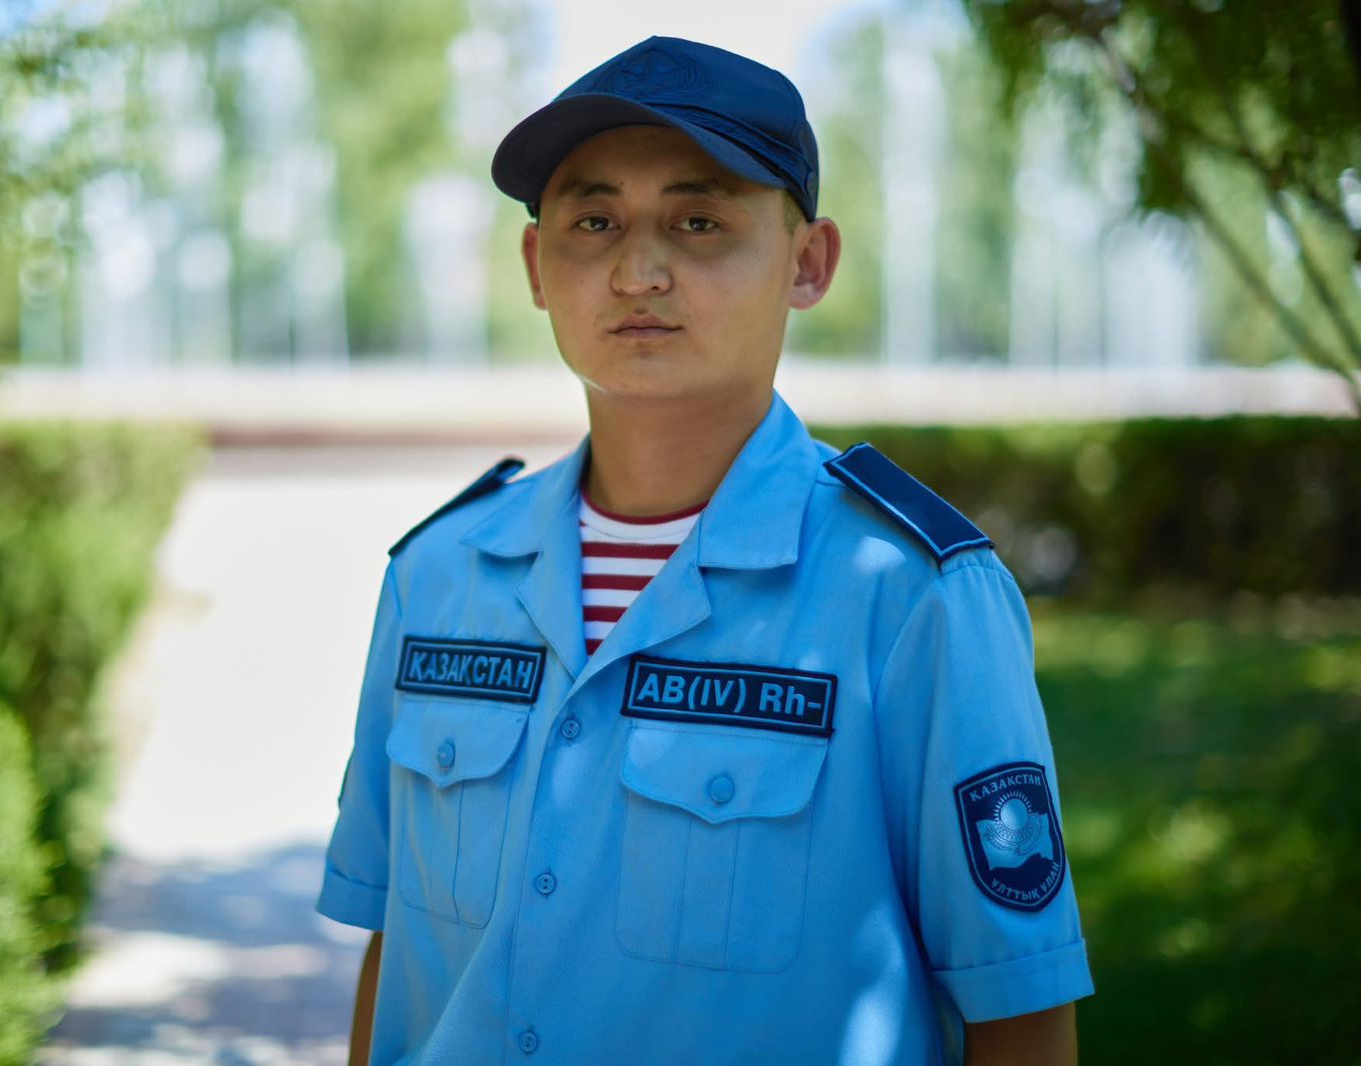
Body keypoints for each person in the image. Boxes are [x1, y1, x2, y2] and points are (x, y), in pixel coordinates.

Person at [316, 35, 1093, 1065]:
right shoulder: (439, 575)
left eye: (698, 221)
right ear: (538, 267)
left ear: (808, 263)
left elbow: (1019, 1007)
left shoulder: (911, 596)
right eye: (594, 221)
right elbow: (396, 951)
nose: (637, 272)